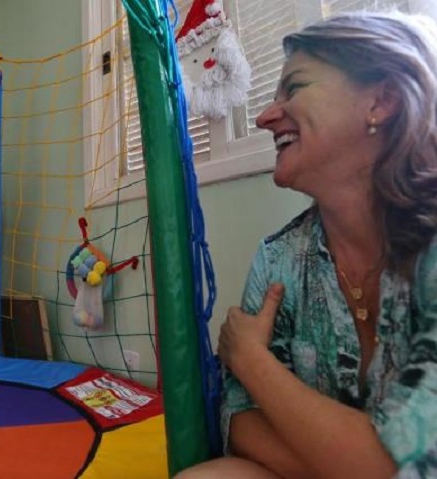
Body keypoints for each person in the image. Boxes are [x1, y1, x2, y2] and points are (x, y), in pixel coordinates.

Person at [176, 11, 437, 479]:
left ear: (382, 101)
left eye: (293, 88)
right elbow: (240, 420)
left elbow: (407, 463)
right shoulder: (278, 258)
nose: (264, 116)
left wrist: (250, 358)